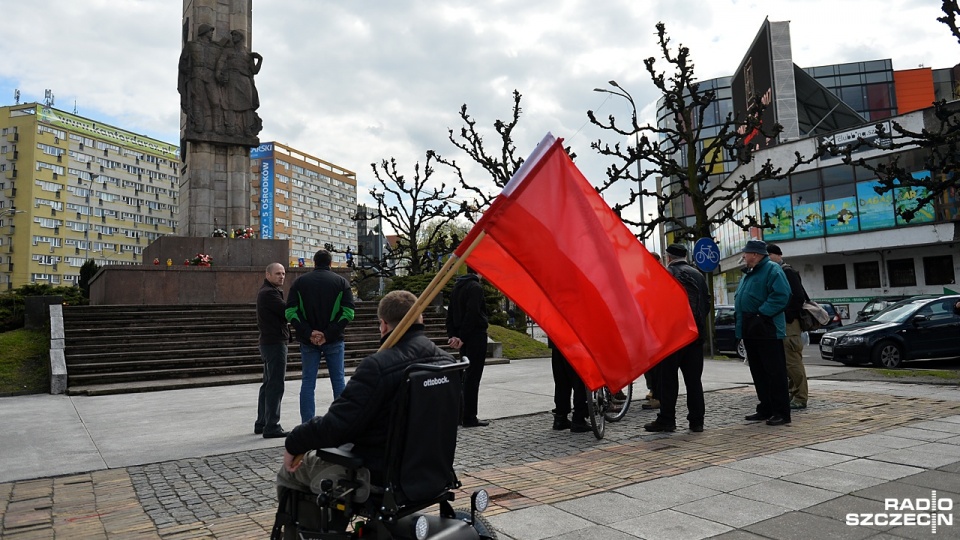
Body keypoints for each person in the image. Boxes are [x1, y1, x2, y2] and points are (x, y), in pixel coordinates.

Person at [277, 291, 455, 503]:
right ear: (421, 319)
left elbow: (337, 426)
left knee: (290, 472)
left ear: (383, 325)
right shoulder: (448, 362)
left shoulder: (379, 367)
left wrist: (295, 441)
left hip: (380, 473)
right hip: (431, 470)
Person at [645, 243, 710, 433]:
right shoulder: (698, 274)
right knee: (694, 381)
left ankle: (667, 419)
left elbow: (657, 305)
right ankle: (697, 421)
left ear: (668, 257)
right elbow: (706, 303)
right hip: (695, 336)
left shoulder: (666, 274)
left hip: (672, 337)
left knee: (668, 380)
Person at [286, 249, 355, 424]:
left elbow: (290, 311)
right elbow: (348, 313)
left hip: (308, 341)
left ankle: (307, 425)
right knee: (338, 381)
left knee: (308, 382)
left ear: (314, 263)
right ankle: (342, 423)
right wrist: (328, 334)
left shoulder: (299, 282)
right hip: (333, 339)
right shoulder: (341, 282)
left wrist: (309, 332)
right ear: (330, 263)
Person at [734, 240, 793, 426]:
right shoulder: (750, 273)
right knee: (758, 371)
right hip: (751, 328)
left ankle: (781, 412)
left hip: (767, 328)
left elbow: (782, 295)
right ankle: (766, 407)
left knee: (774, 372)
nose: (744, 256)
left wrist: (761, 314)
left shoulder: (773, 270)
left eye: (746, 253)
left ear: (756, 254)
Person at [766, 244, 809, 410]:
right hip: (783, 323)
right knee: (786, 363)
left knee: (793, 362)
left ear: (777, 255)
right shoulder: (778, 271)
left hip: (789, 324)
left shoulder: (787, 271)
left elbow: (798, 298)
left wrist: (787, 316)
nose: (767, 259)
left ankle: (800, 396)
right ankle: (793, 393)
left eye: (769, 255)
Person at [446, 267, 489, 428]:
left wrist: (454, 335)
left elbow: (450, 314)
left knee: (466, 376)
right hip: (475, 336)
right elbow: (473, 313)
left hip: (462, 336)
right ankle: (469, 416)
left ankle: (463, 414)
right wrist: (462, 337)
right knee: (473, 377)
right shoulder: (475, 288)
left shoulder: (458, 286)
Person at [255, 263, 290, 438]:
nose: (281, 276)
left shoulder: (269, 291)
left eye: (283, 273)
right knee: (275, 384)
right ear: (267, 274)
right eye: (277, 273)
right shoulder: (269, 293)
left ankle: (262, 423)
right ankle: (272, 426)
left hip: (269, 342)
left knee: (268, 384)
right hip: (274, 342)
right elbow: (287, 312)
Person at [216, 29, 263, 139]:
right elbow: (220, 63)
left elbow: (254, 70)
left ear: (241, 37)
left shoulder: (247, 54)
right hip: (232, 78)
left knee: (247, 105)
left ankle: (247, 129)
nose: (233, 37)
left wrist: (260, 60)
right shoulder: (228, 51)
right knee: (230, 103)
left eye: (236, 35)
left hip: (245, 80)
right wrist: (218, 74)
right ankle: (230, 127)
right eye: (232, 35)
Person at [177, 24, 224, 135]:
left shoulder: (215, 48)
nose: (212, 33)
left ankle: (216, 127)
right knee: (197, 100)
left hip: (211, 76)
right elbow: (183, 63)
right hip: (196, 75)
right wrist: (187, 70)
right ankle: (198, 124)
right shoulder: (191, 45)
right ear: (204, 32)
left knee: (216, 102)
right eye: (210, 31)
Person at [549, 339, 590, 433]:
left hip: (556, 340)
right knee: (579, 382)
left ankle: (560, 418)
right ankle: (579, 419)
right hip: (574, 341)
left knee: (562, 382)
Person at [642, 251, 664, 410]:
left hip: (657, 328)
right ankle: (653, 389)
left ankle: (658, 394)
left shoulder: (662, 278)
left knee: (658, 364)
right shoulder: (645, 278)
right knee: (648, 364)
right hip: (647, 327)